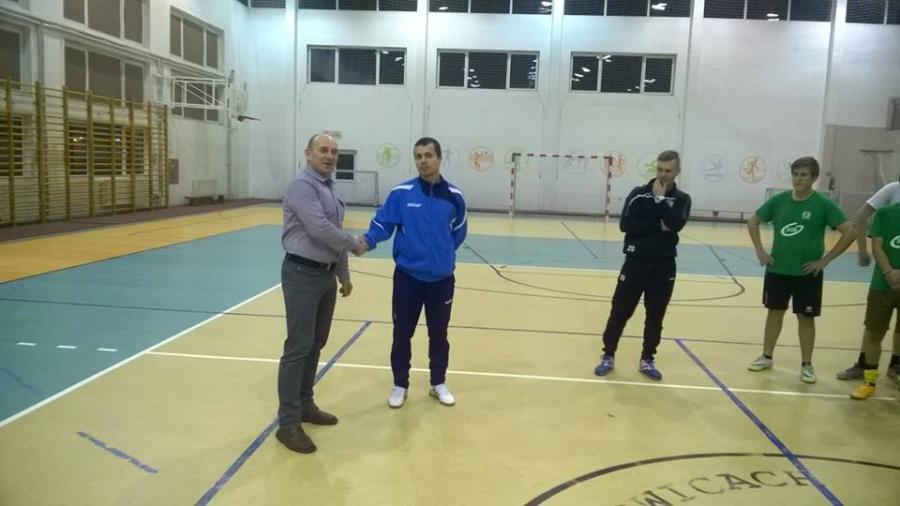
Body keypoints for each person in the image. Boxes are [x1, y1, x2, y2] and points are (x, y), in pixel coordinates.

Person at [357, 137, 467, 408]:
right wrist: (367, 241)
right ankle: (400, 385)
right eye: (418, 156)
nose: (423, 161)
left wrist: (442, 255)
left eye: (428, 155)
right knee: (401, 334)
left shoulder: (454, 197)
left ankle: (438, 383)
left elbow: (458, 232)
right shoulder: (402, 193)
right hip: (408, 279)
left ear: (439, 158)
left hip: (441, 280)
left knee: (439, 334)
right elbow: (383, 224)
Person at [276, 133, 361, 454]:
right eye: (323, 150)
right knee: (298, 347)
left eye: (334, 151)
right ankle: (288, 424)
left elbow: (333, 233)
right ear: (308, 153)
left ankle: (305, 405)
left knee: (315, 343)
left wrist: (343, 273)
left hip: (324, 276)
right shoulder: (302, 186)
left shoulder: (328, 188)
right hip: (302, 273)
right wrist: (355, 244)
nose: (330, 156)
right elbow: (320, 229)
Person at [747, 156, 855, 383]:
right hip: (778, 270)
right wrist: (760, 251)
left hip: (807, 274)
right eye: (795, 174)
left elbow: (850, 231)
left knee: (806, 318)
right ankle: (767, 356)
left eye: (804, 175)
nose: (798, 179)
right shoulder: (778, 201)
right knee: (774, 313)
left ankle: (807, 364)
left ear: (814, 178)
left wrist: (826, 260)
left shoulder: (823, 205)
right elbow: (753, 221)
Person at [593, 150, 691, 381]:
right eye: (660, 170)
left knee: (655, 316)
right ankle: (608, 355)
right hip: (635, 264)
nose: (663, 175)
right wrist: (660, 225)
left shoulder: (682, 199)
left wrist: (660, 202)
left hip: (663, 266)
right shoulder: (638, 194)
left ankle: (647, 359)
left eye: (668, 171)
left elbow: (676, 225)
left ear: (677, 172)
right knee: (619, 312)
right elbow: (627, 226)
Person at [836, 179, 900, 382]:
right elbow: (861, 215)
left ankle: (896, 365)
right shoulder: (893, 190)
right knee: (874, 326)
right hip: (886, 272)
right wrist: (862, 248)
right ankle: (864, 364)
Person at [850, 201, 900, 399]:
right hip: (881, 285)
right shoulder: (885, 213)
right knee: (874, 333)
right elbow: (877, 246)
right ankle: (869, 381)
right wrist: (889, 272)